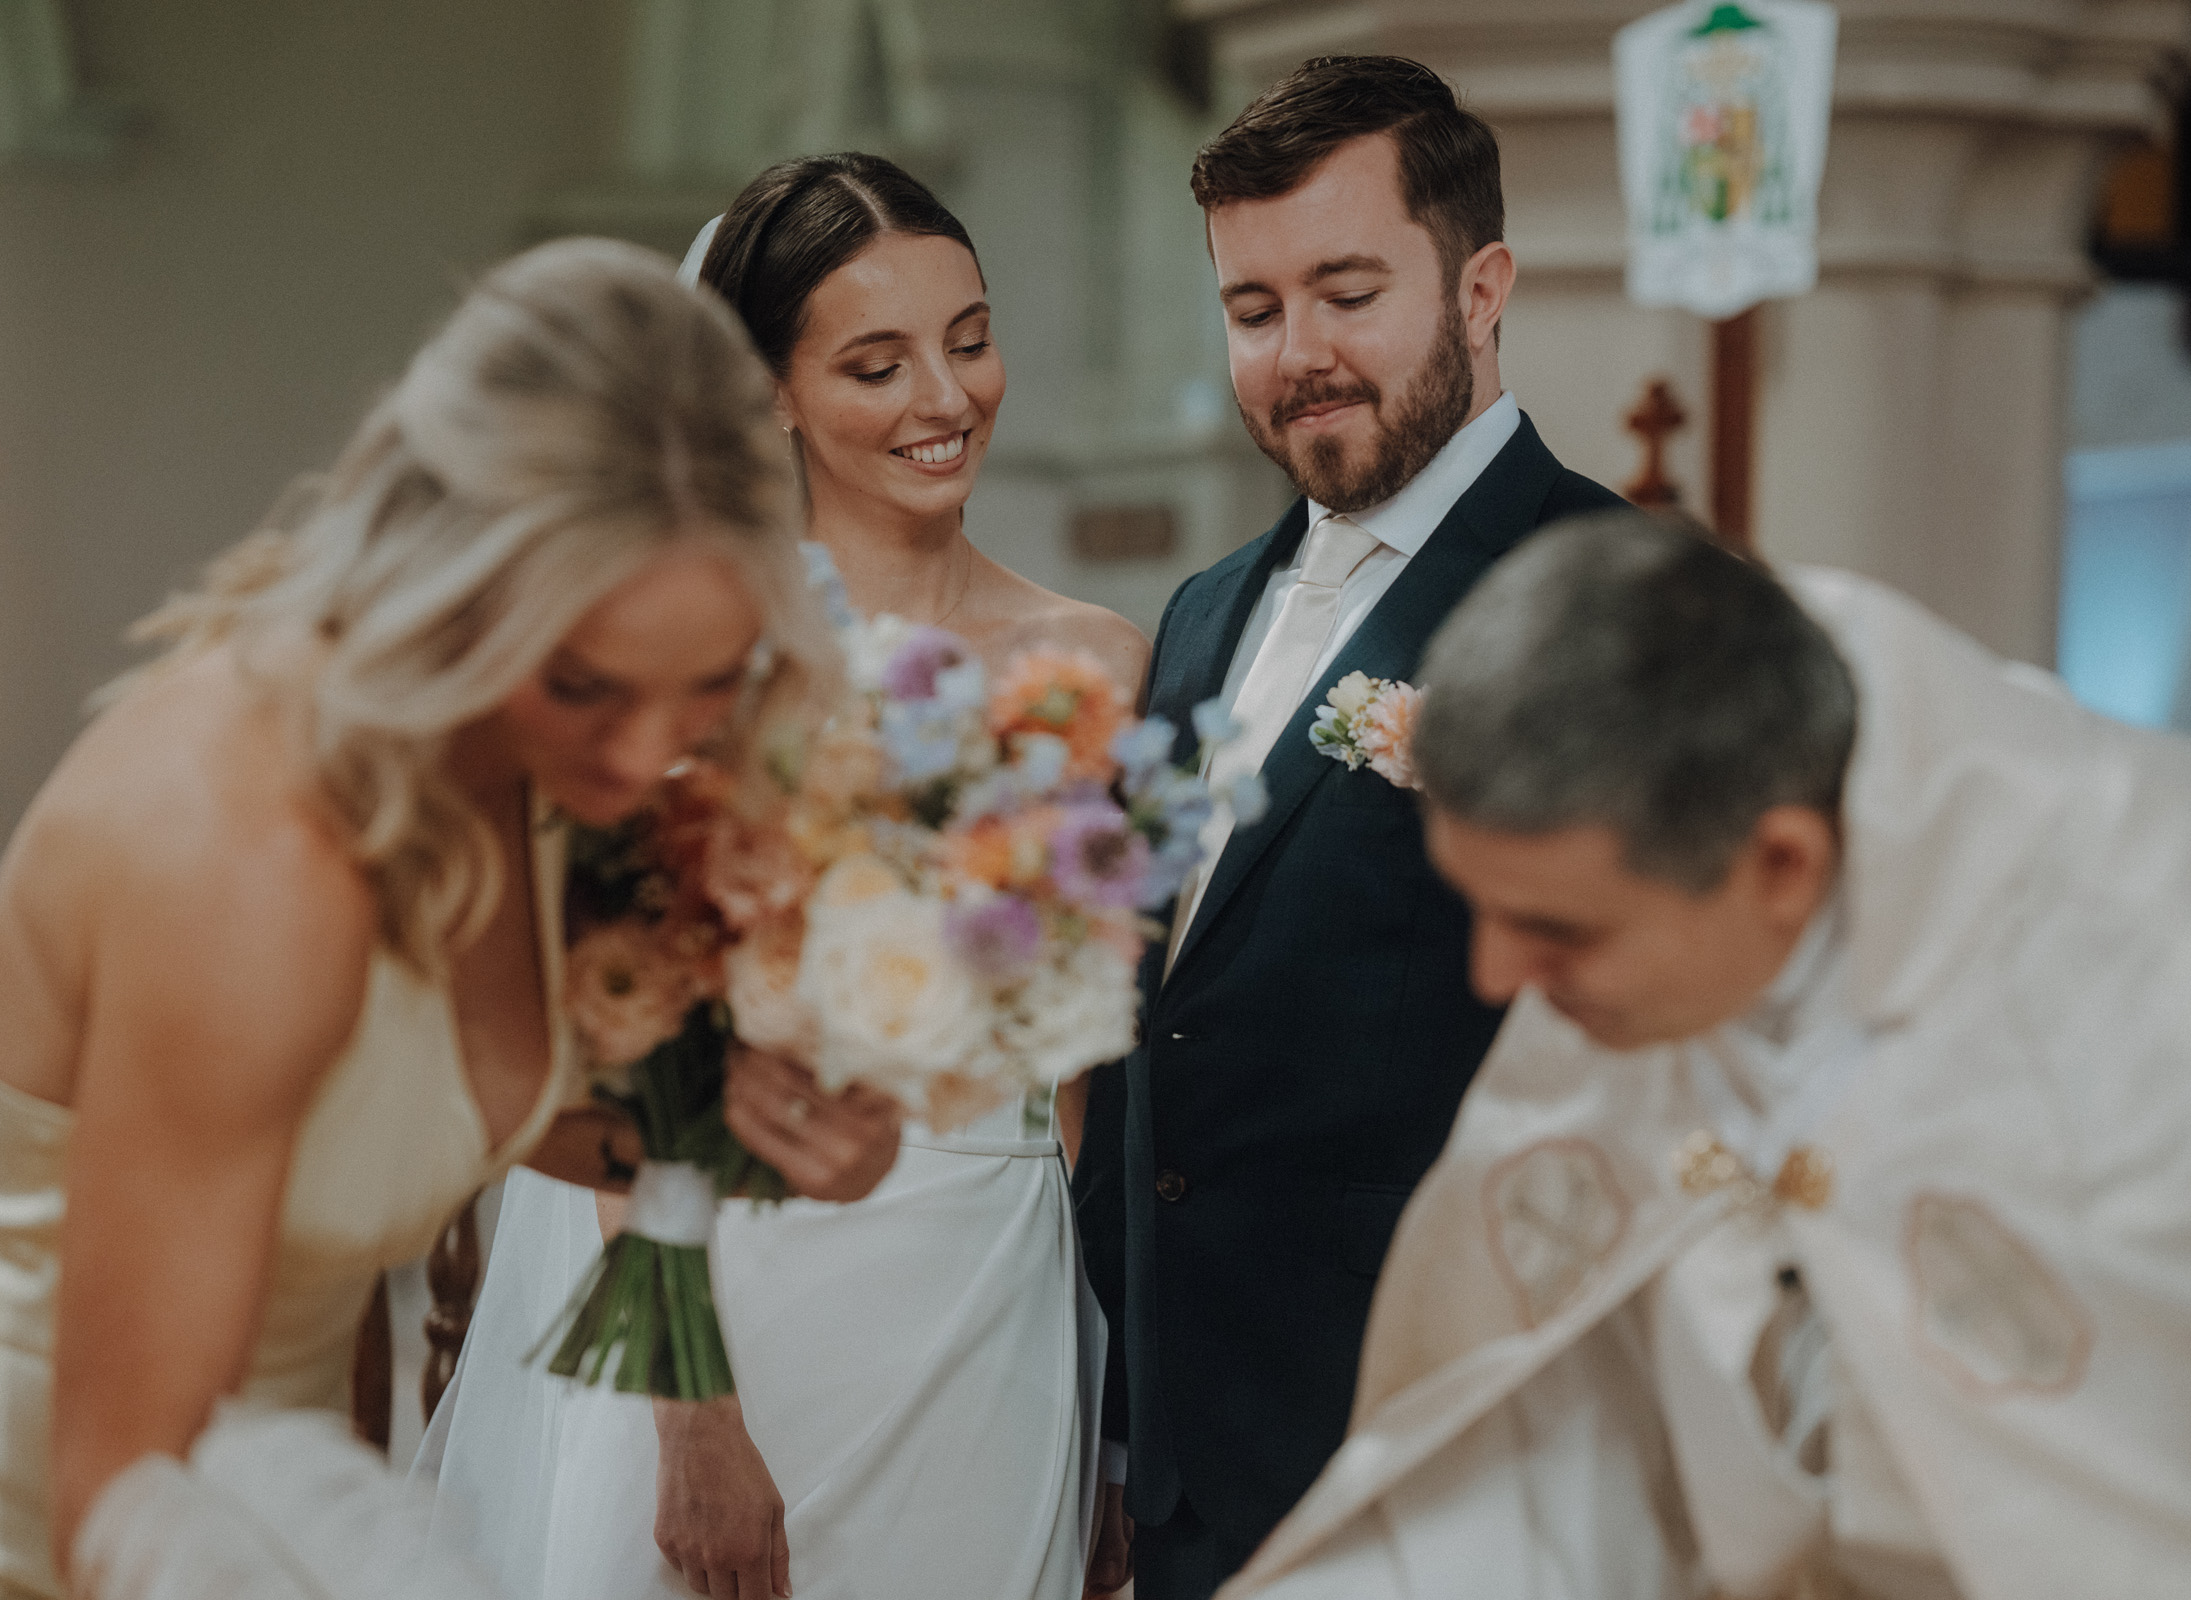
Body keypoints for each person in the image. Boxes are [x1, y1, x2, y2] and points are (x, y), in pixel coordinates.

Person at [1223, 513, 2191, 1600]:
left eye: (1556, 929)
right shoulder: (1660, 882)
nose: (1496, 979)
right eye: (1479, 907)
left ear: (1780, 866)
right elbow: (1539, 1455)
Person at [0, 237, 903, 1600]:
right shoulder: (245, 861)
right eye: (589, 684)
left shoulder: (514, 755)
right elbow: (130, 1486)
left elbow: (410, 1097)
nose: (636, 757)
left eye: (705, 681)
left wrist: (737, 1120)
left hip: (300, 1494)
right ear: (456, 584)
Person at [423, 153, 1147, 1600]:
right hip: (734, 1307)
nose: (946, 401)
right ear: (771, 392)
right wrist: (692, 1429)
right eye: (877, 365)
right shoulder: (699, 660)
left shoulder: (1099, 665)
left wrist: (1115, 1422)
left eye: (969, 339)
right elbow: (624, 1060)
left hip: (989, 1307)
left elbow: (1084, 1076)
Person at [1071, 55, 1629, 1600]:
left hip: (1442, 1458)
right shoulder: (1195, 618)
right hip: (1187, 1475)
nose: (1297, 354)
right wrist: (1117, 1432)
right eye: (1254, 311)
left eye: (1346, 291)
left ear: (1481, 287)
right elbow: (1150, 1027)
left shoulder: (1607, 595)